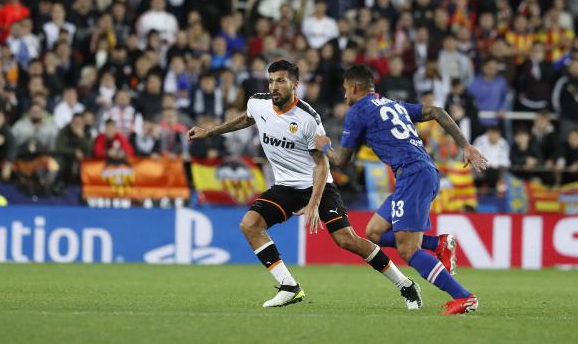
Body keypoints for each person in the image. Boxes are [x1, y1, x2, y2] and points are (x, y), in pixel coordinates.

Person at [187, 60, 422, 309]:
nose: (274, 86)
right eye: (271, 80)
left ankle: (405, 285)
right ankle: (289, 287)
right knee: (250, 225)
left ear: (295, 84)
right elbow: (246, 119)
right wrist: (210, 132)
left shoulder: (309, 119)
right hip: (285, 186)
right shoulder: (258, 102)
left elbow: (322, 165)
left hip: (317, 184)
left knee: (347, 240)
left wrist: (314, 203)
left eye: (281, 81)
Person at [314, 64, 488, 315]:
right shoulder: (393, 104)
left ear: (354, 88)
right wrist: (466, 145)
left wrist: (324, 147)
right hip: (420, 172)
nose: (344, 96)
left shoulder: (357, 111)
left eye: (345, 90)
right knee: (373, 232)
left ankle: (464, 297)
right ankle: (437, 244)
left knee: (408, 249)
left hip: (413, 174)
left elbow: (342, 160)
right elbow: (437, 111)